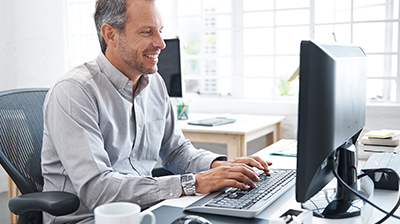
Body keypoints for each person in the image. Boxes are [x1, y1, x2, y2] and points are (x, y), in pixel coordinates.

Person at [41, 0, 272, 223]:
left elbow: (176, 151)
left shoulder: (154, 83)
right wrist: (194, 182)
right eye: (147, 32)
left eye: (160, 31)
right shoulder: (74, 92)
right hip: (90, 218)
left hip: (148, 208)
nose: (161, 43)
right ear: (110, 34)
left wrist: (219, 167)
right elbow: (97, 190)